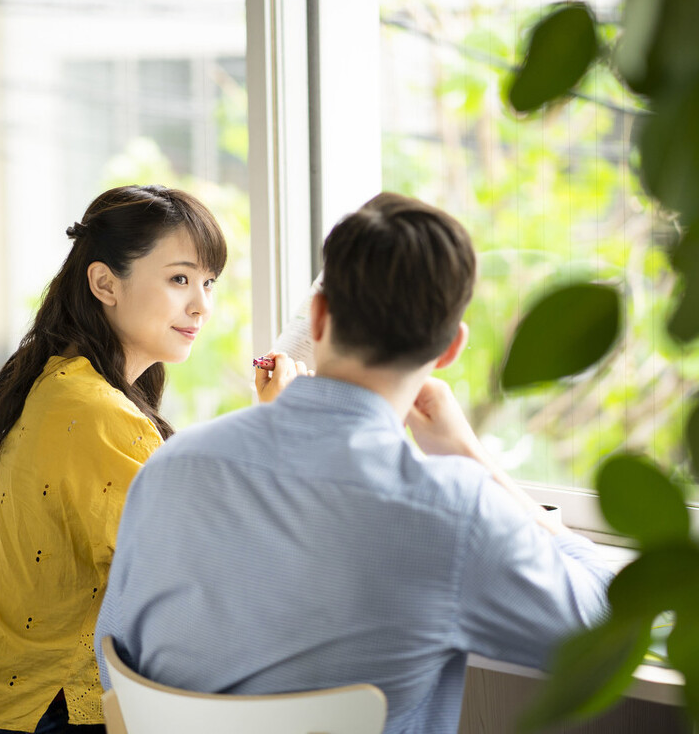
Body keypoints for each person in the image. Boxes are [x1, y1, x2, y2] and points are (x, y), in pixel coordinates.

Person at [95, 192, 615, 734]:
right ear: (449, 350)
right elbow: (611, 626)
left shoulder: (171, 466)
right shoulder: (453, 512)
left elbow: (115, 658)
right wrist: (475, 461)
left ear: (317, 318)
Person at [0, 184, 228, 733]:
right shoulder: (100, 412)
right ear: (105, 282)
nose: (201, 304)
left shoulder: (59, 377)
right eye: (179, 278)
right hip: (45, 708)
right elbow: (178, 572)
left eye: (208, 282)